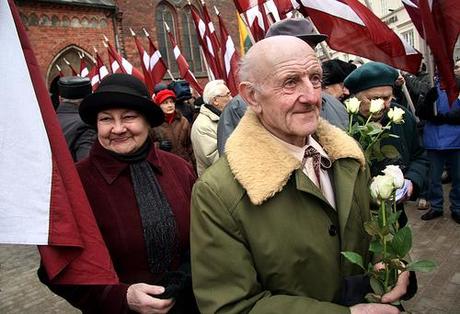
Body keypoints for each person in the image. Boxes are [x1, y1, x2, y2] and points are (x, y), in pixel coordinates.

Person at [191, 36, 411, 314]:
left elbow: (377, 224)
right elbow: (232, 306)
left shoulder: (348, 156)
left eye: (316, 79)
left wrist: (393, 259)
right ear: (251, 96)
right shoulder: (218, 193)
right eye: (290, 82)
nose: (312, 96)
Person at [39, 74, 198, 313]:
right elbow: (57, 268)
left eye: (129, 117)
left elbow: (204, 238)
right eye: (106, 119)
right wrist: (120, 296)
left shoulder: (179, 169)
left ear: (147, 121)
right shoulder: (75, 185)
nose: (118, 129)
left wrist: (186, 275)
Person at [216, 18, 350, 155]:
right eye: (290, 82)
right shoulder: (238, 106)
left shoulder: (334, 104)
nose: (310, 98)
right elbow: (233, 164)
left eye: (311, 47)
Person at [344, 61, 429, 226]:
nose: (383, 104)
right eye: (375, 98)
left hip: (394, 217)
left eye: (387, 97)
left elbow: (420, 156)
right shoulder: (343, 123)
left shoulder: (401, 117)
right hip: (356, 219)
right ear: (355, 97)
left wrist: (411, 182)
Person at [416, 75, 460, 223]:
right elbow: (420, 112)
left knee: (458, 178)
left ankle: (457, 208)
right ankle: (436, 207)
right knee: (434, 178)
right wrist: (428, 101)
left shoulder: (457, 85)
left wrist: (447, 117)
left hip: (456, 140)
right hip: (434, 140)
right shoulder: (429, 86)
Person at [191, 79, 232, 176]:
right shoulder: (202, 126)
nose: (231, 98)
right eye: (227, 95)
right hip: (218, 184)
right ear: (215, 101)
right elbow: (217, 160)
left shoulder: (226, 117)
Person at [56, 76, 96, 161]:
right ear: (88, 99)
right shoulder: (86, 125)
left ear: (60, 98)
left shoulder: (43, 122)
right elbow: (87, 165)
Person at [152, 89, 194, 164]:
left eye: (171, 102)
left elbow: (191, 146)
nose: (170, 105)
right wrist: (158, 146)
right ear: (159, 106)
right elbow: (147, 147)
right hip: (166, 165)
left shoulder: (183, 121)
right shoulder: (154, 123)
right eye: (165, 103)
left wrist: (194, 166)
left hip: (185, 164)